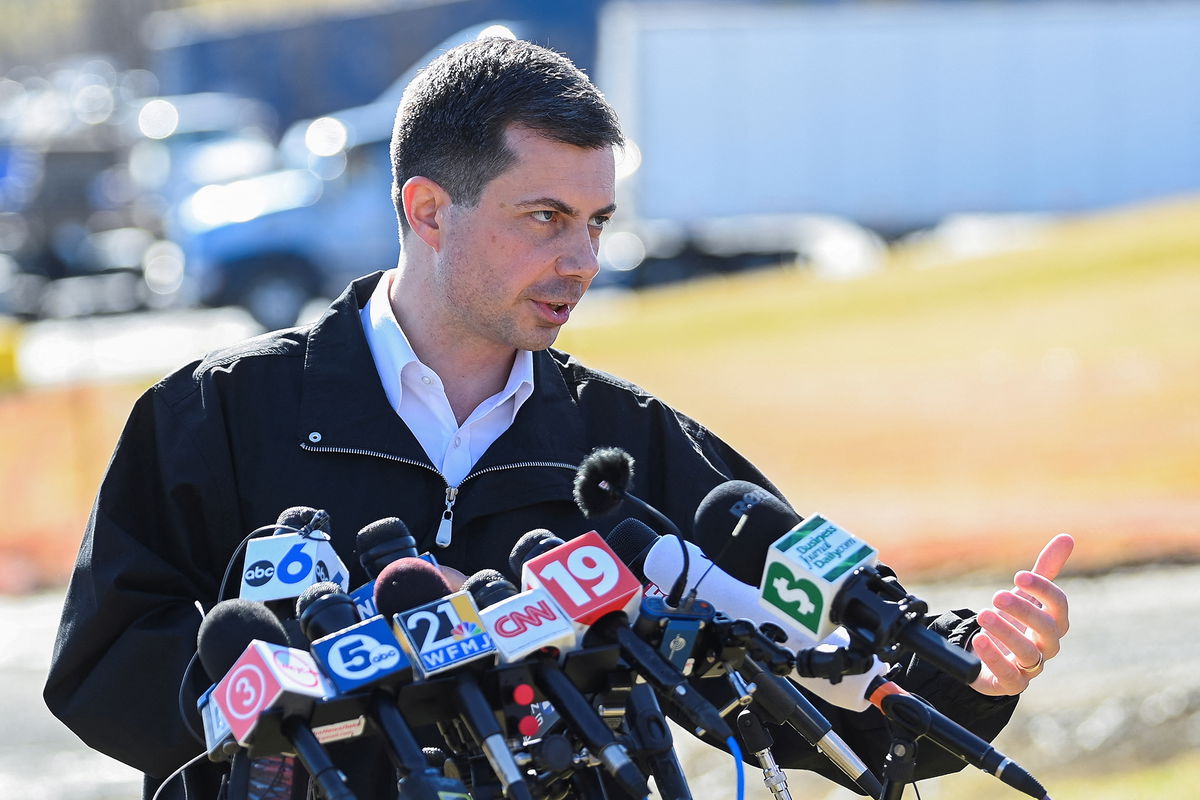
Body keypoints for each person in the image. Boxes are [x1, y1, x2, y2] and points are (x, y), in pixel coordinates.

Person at [44, 36, 1072, 800]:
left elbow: (811, 680)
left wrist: (970, 674)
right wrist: (374, 661)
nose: (581, 260)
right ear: (428, 209)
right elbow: (103, 667)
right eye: (544, 218)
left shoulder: (626, 449)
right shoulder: (216, 412)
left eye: (596, 222)